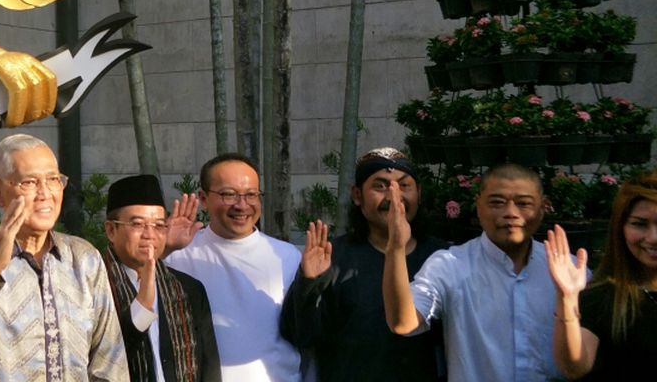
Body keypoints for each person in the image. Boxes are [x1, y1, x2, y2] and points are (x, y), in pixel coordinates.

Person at [0, 133, 127, 381]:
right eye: (29, 182)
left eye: (53, 179)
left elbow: (109, 362)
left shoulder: (84, 259)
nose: (45, 193)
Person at [279, 148, 447, 381]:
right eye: (380, 186)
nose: (393, 197)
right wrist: (310, 283)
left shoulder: (442, 258)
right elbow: (302, 336)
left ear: (419, 193)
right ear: (357, 195)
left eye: (404, 186)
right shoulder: (332, 256)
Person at [383, 161, 561, 381]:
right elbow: (403, 322)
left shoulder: (567, 270)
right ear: (478, 206)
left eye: (524, 203)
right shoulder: (450, 265)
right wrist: (396, 248)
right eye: (497, 202)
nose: (510, 213)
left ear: (542, 208)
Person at [163, 153, 302, 382]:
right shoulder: (178, 255)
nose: (242, 205)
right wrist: (162, 250)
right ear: (204, 198)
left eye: (251, 195)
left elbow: (305, 333)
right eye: (229, 194)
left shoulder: (286, 256)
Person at [102, 174, 220, 382]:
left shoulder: (187, 289)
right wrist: (142, 309)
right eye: (138, 224)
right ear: (111, 230)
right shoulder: (93, 286)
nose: (150, 234)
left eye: (158, 225)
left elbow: (209, 368)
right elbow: (104, 354)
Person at [546, 170, 657, 378]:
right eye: (639, 224)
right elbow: (574, 366)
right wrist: (567, 298)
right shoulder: (603, 298)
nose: (653, 238)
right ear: (620, 228)